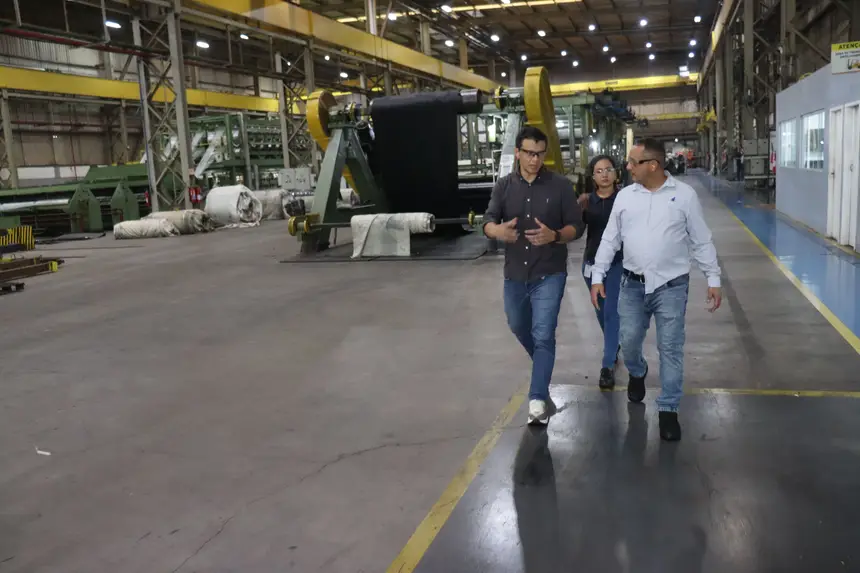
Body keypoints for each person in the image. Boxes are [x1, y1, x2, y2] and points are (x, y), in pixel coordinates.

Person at [589, 138, 723, 441]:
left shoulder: (685, 196)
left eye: (633, 162)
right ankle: (637, 372)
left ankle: (668, 410)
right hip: (631, 286)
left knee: (670, 348)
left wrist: (713, 279)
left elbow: (701, 240)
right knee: (628, 341)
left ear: (653, 165)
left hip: (671, 286)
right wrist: (598, 275)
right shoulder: (625, 197)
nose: (627, 167)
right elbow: (610, 239)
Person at [483, 125, 584, 425]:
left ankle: (537, 399)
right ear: (517, 153)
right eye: (529, 153)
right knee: (518, 325)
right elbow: (488, 220)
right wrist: (497, 231)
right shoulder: (504, 186)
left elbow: (577, 226)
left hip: (549, 272)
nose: (534, 160)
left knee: (543, 334)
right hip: (515, 273)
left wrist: (555, 235)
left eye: (540, 154)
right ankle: (543, 364)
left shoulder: (560, 186)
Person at [580, 155, 623, 390]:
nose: (604, 174)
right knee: (601, 312)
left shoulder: (625, 199)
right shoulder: (587, 202)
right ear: (593, 176)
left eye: (608, 169)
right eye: (599, 171)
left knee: (611, 312)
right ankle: (613, 343)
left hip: (618, 263)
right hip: (591, 263)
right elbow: (575, 229)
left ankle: (607, 366)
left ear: (616, 173)